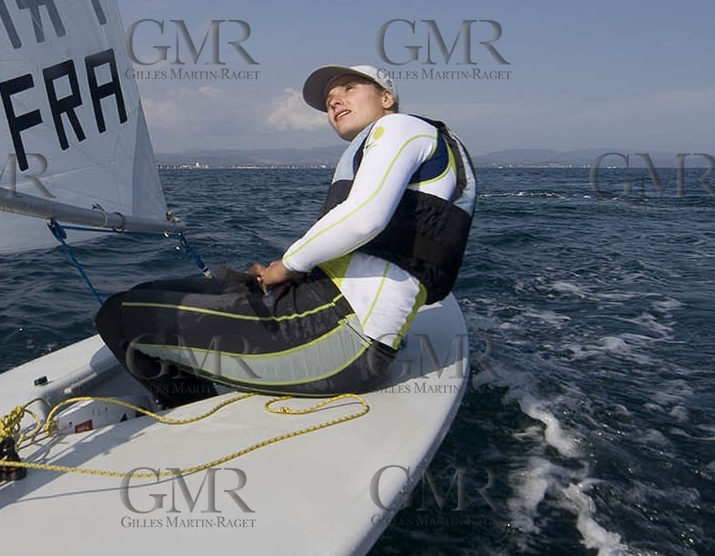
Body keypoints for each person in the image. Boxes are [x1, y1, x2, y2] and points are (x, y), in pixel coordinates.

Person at [95, 64, 476, 406]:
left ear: (387, 98)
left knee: (117, 316)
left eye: (349, 89)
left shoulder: (400, 127)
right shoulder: (406, 144)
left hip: (342, 338)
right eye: (329, 100)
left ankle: (191, 411)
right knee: (159, 292)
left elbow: (363, 220)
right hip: (328, 311)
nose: (335, 102)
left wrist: (286, 265)